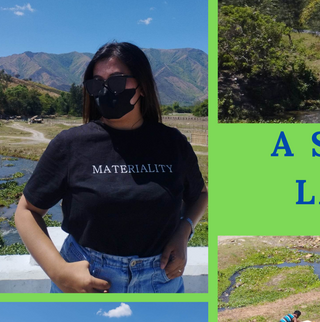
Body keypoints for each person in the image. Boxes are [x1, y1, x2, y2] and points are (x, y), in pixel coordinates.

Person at [15, 42, 208, 293]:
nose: (106, 91)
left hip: (161, 280)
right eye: (97, 84)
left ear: (143, 87)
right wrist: (59, 271)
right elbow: (26, 210)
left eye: (117, 81)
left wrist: (184, 231)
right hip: (87, 277)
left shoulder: (173, 143)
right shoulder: (71, 143)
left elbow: (200, 194)